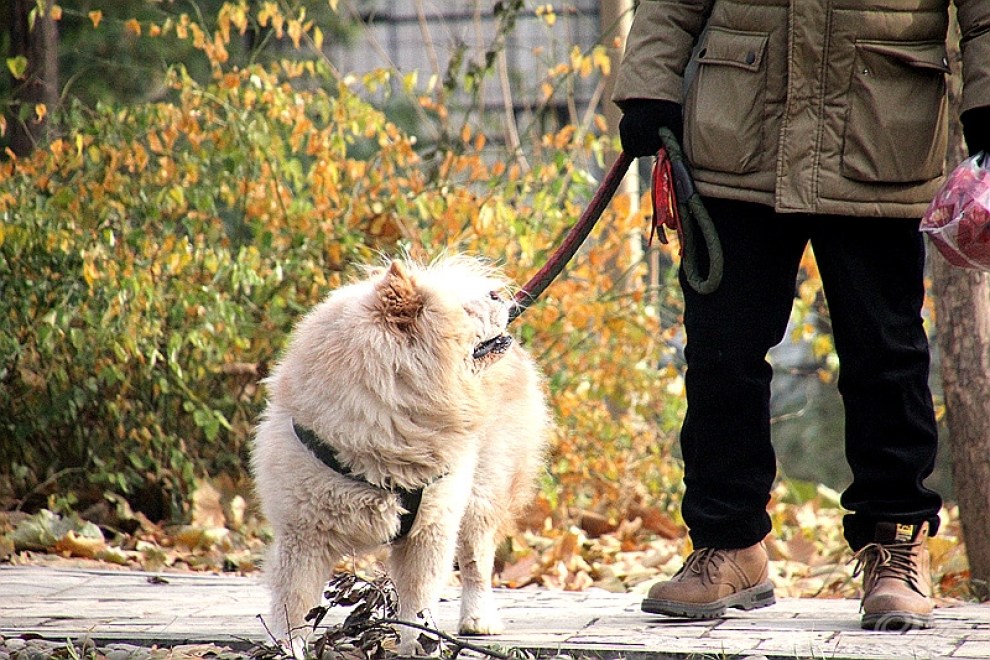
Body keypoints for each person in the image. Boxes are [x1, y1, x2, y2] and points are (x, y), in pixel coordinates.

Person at [612, 0, 990, 631]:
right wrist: (648, 86)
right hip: (738, 137)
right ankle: (729, 545)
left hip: (880, 136)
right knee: (720, 354)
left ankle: (895, 543)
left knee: (886, 354)